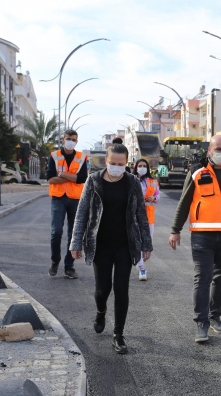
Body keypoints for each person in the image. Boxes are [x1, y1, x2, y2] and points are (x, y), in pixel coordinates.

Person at [69, 143, 153, 354]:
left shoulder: (132, 182)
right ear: (105, 161)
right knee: (102, 289)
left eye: (121, 164)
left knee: (121, 288)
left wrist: (146, 244)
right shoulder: (94, 180)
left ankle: (118, 334)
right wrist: (75, 243)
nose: (117, 167)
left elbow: (141, 215)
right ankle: (100, 311)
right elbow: (82, 214)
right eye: (113, 163)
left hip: (125, 244)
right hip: (100, 245)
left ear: (127, 163)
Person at [168, 135, 221, 344]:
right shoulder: (196, 172)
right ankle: (201, 322)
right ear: (209, 151)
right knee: (202, 278)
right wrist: (175, 229)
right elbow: (184, 202)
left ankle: (215, 316)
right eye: (218, 149)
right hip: (202, 235)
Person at [46, 129, 88, 279]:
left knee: (74, 233)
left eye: (74, 139)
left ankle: (69, 266)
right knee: (56, 231)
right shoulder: (54, 156)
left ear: (77, 141)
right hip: (58, 198)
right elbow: (50, 179)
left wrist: (62, 174)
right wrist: (72, 177)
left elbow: (82, 178)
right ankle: (55, 261)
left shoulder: (82, 157)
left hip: (76, 198)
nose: (71, 141)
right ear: (63, 139)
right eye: (69, 138)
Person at [133, 159, 159, 281]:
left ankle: (140, 262)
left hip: (149, 217)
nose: (142, 168)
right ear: (136, 167)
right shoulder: (131, 180)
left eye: (144, 166)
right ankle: (141, 267)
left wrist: (153, 197)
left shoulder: (153, 181)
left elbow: (158, 197)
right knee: (136, 242)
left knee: (147, 243)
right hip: (134, 216)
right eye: (140, 166)